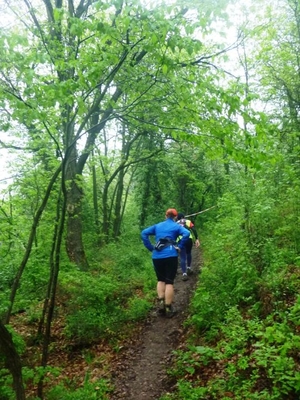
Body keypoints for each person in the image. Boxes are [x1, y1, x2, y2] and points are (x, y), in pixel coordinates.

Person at [141, 208, 190, 318]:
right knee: (169, 282)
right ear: (176, 217)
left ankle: (161, 304)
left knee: (160, 280)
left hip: (157, 256)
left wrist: (151, 248)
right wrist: (180, 246)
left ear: (165, 216)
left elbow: (144, 233)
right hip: (171, 255)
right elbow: (186, 233)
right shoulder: (176, 226)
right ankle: (168, 308)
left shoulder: (158, 226)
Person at [176, 212, 200, 281]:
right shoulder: (188, 221)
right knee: (188, 253)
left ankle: (184, 273)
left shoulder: (176, 224)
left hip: (180, 240)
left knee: (182, 256)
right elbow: (193, 229)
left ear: (177, 218)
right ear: (184, 217)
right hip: (189, 239)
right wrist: (196, 239)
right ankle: (189, 268)